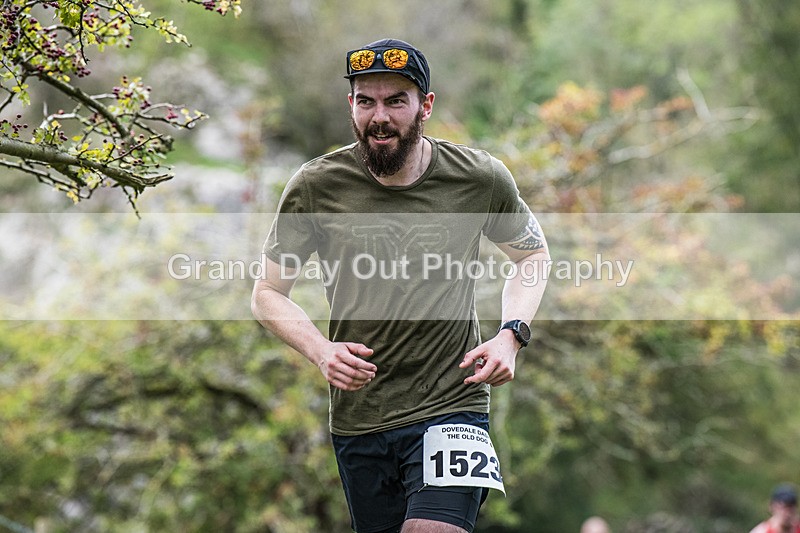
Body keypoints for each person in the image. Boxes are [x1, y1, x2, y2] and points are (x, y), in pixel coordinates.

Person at [251, 38, 550, 533]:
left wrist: (510, 334)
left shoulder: (478, 179)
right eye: (366, 100)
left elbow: (532, 256)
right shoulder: (315, 186)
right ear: (351, 105)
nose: (379, 116)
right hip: (360, 417)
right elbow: (267, 293)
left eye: (395, 101)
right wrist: (320, 351)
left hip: (452, 402)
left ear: (425, 106)